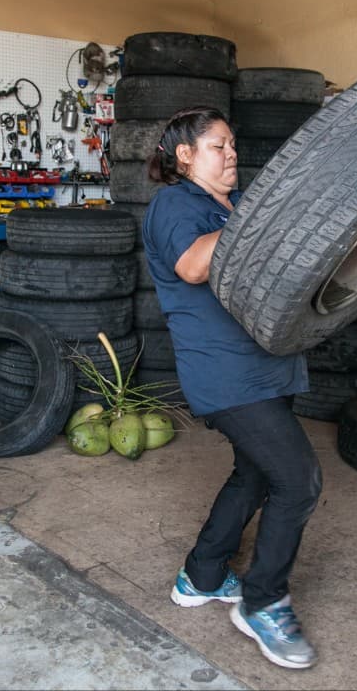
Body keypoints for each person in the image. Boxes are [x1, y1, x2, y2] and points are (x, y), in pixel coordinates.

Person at [141, 106, 322, 670]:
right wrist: (254, 224)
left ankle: (202, 576)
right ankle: (264, 602)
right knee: (300, 480)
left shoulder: (234, 206)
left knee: (257, 475)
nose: (232, 154)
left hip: (268, 362)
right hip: (227, 373)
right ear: (185, 155)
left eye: (233, 145)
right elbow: (195, 266)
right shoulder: (174, 204)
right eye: (219, 146)